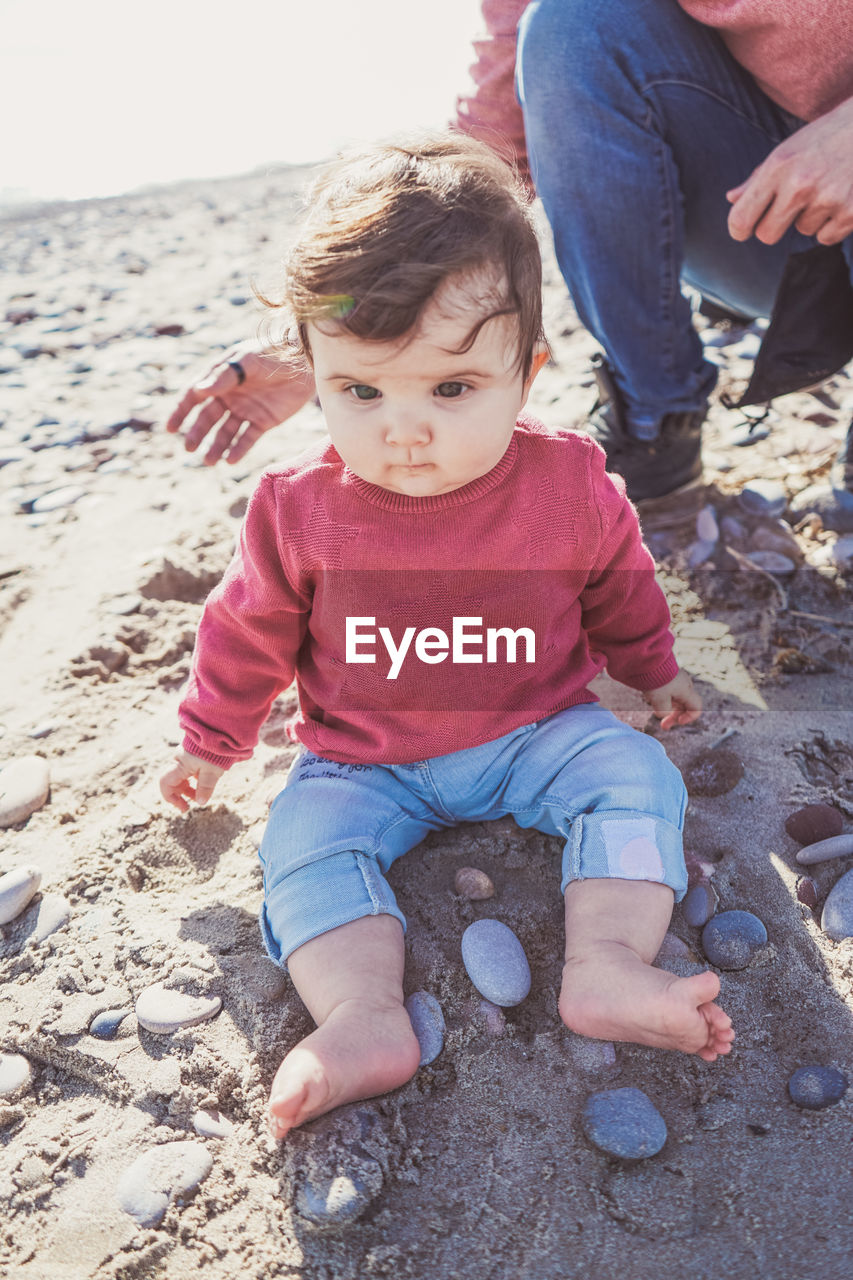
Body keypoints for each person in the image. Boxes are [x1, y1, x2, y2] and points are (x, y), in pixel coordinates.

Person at [159, 134, 734, 1142]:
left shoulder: (567, 483)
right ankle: (360, 1012)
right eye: (362, 391)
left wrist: (649, 671)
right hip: (361, 763)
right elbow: (244, 631)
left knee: (637, 775)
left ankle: (605, 961)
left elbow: (621, 583)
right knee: (302, 846)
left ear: (526, 371)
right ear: (318, 374)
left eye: (452, 388)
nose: (403, 430)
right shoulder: (297, 508)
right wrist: (212, 738)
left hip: (535, 728)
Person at [167, 0, 853, 530]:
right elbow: (481, 159)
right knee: (571, 26)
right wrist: (324, 334)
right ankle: (656, 422)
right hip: (770, 214)